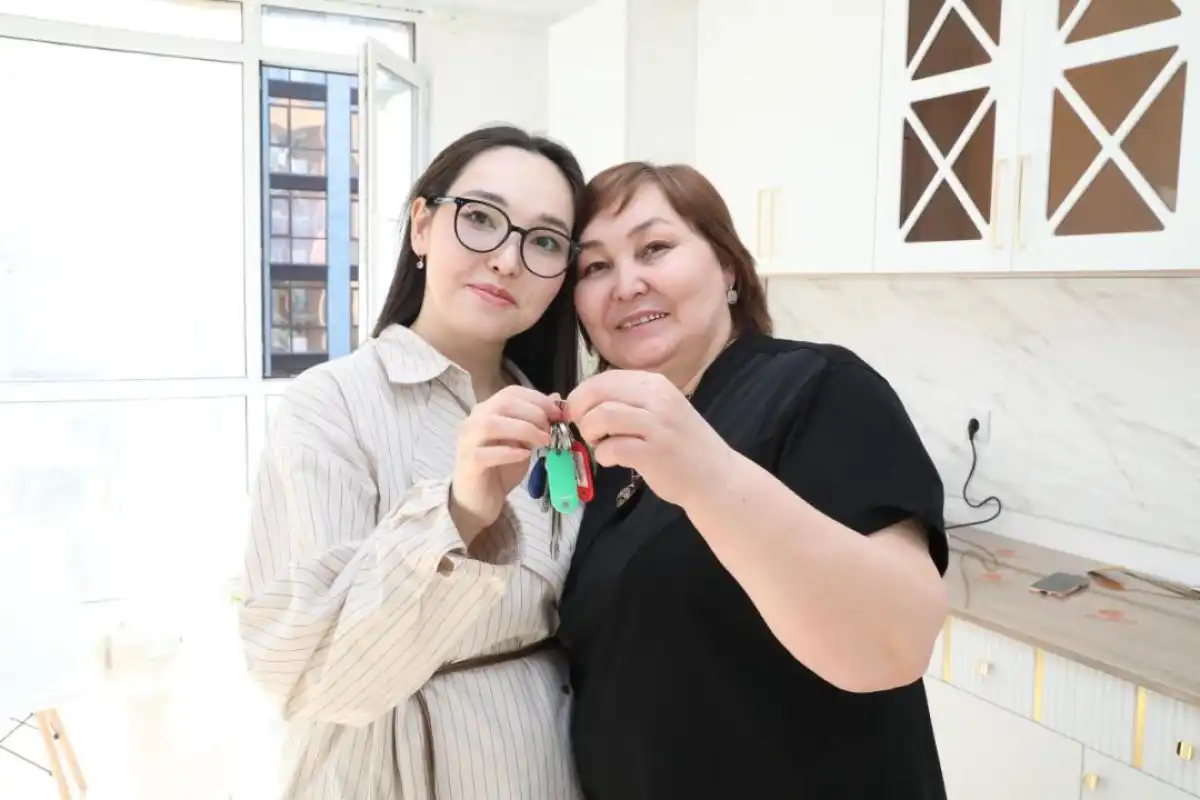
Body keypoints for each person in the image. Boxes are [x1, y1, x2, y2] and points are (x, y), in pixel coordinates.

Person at [558, 162, 951, 799]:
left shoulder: (819, 388)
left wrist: (705, 475)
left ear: (728, 267)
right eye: (595, 266)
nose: (626, 284)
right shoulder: (606, 443)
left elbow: (896, 643)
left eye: (654, 247)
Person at [239, 125, 587, 800]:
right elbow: (301, 670)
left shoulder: (560, 421)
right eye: (480, 218)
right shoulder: (332, 403)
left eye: (544, 241)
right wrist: (460, 512)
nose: (507, 260)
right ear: (422, 226)